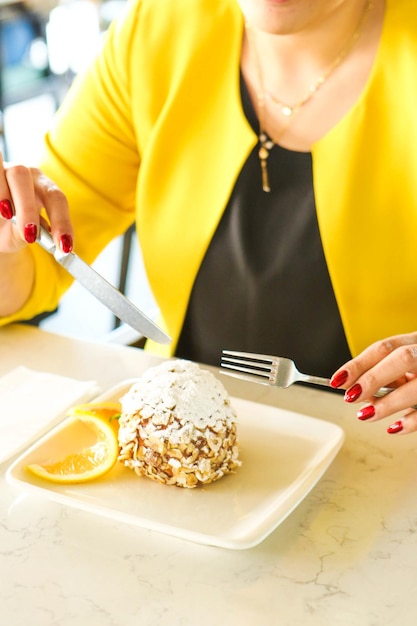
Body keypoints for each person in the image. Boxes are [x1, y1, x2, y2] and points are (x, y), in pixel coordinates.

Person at [0, 0, 417, 434]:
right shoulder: (155, 32)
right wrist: (7, 237)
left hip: (390, 457)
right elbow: (35, 264)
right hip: (179, 447)